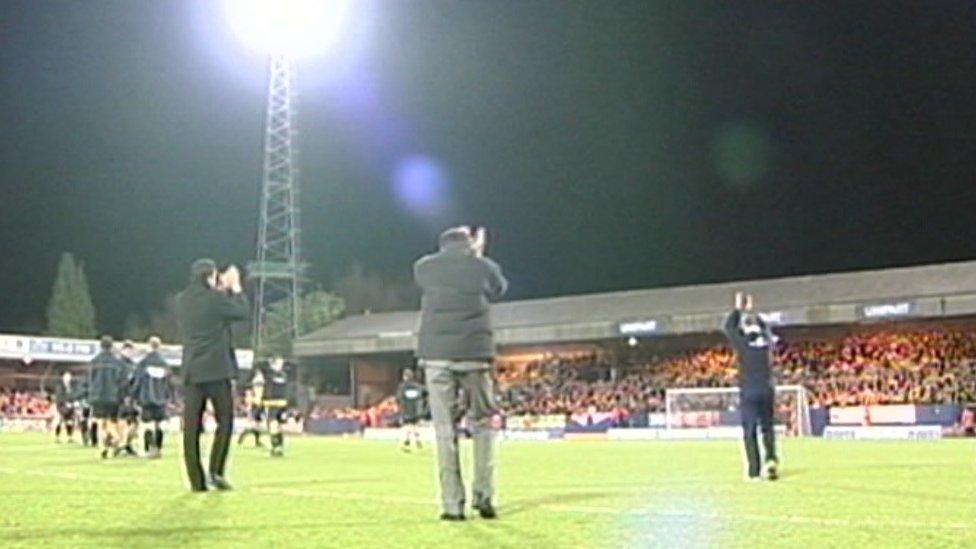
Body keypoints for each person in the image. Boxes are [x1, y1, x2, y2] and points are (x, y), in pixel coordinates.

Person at [414, 225, 508, 521]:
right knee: (482, 425)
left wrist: (470, 253)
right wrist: (477, 254)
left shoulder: (424, 267)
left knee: (444, 430)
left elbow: (443, 275)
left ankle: (452, 505)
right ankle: (484, 496)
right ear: (468, 244)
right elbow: (499, 288)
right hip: (475, 354)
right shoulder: (482, 266)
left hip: (436, 356)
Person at [177, 259, 249, 492]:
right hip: (217, 370)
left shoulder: (182, 301)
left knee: (191, 429)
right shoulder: (217, 299)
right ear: (210, 277)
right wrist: (234, 287)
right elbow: (242, 312)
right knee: (225, 422)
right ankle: (216, 472)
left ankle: (196, 481)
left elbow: (207, 309)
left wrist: (219, 289)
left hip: (191, 370)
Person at [722, 291, 779, 481]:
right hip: (767, 389)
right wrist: (753, 313)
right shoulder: (765, 341)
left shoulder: (743, 342)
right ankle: (771, 459)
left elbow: (729, 327)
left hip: (749, 391)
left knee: (749, 431)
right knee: (768, 428)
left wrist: (739, 309)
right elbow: (766, 329)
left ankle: (754, 471)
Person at [87, 336, 127, 459]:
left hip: (97, 396)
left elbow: (90, 380)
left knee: (101, 423)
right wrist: (122, 396)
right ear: (112, 346)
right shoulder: (118, 363)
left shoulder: (94, 362)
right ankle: (116, 439)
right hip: (113, 397)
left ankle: (103, 447)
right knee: (111, 421)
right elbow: (122, 382)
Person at [133, 336, 172, 458]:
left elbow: (137, 381)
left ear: (148, 346)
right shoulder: (165, 364)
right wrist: (168, 397)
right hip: (161, 399)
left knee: (147, 424)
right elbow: (168, 383)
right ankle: (158, 448)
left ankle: (150, 448)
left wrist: (134, 395)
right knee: (159, 424)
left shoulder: (143, 363)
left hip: (147, 398)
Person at [262, 357, 289, 457]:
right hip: (282, 402)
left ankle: (276, 446)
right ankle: (279, 447)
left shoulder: (270, 374)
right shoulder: (283, 375)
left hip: (272, 402)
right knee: (279, 425)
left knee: (272, 423)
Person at [117, 341, 140, 456]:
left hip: (132, 397)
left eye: (131, 351)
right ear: (122, 351)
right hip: (121, 398)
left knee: (134, 423)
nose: (130, 353)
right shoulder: (119, 364)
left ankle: (126, 444)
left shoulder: (133, 365)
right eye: (128, 350)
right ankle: (121, 444)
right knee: (123, 421)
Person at [396, 368, 426, 452]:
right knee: (415, 425)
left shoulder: (402, 386)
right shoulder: (417, 386)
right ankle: (416, 439)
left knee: (408, 425)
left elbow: (398, 397)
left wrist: (400, 405)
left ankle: (407, 440)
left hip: (406, 409)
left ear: (405, 376)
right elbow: (425, 392)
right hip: (416, 410)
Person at [237, 371, 265, 448]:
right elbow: (249, 399)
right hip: (255, 407)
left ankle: (257, 441)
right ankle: (241, 439)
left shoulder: (260, 388)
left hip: (259, 406)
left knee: (257, 425)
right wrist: (250, 405)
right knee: (252, 425)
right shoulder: (252, 390)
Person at [54, 371, 79, 443]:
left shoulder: (71, 387)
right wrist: (65, 403)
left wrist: (74, 402)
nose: (68, 379)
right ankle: (57, 437)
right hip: (61, 406)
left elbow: (73, 395)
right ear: (63, 378)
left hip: (70, 406)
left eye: (69, 377)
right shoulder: (60, 386)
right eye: (67, 377)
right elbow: (60, 396)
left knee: (70, 422)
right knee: (59, 421)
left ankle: (70, 437)